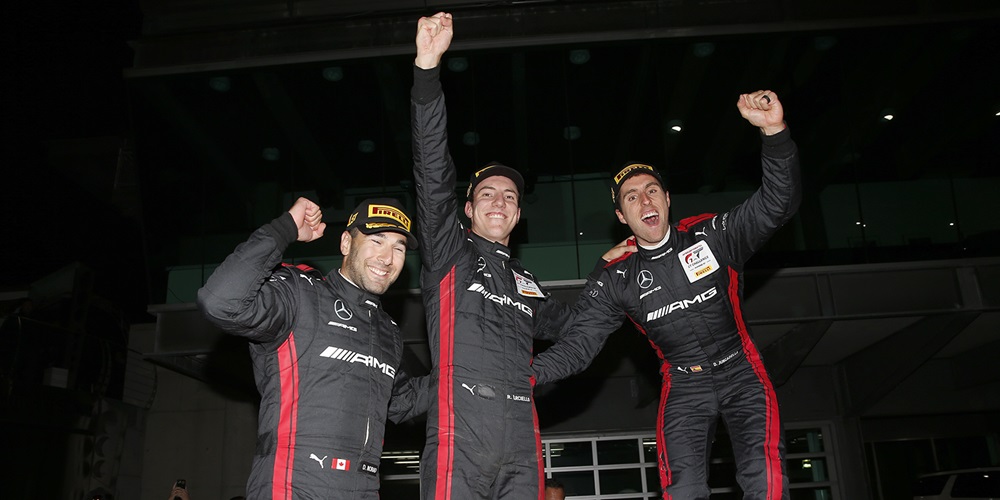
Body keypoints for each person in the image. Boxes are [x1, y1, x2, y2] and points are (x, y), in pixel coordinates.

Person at [532, 91, 801, 499]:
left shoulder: (712, 235)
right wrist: (522, 375)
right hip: (684, 385)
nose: (645, 200)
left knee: (766, 478)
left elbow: (776, 204)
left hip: (742, 372)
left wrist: (773, 132)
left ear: (668, 198)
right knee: (683, 488)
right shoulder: (615, 278)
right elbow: (578, 345)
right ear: (622, 217)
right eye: (632, 197)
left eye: (652, 190)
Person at [411, 12, 573, 500]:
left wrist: (624, 272)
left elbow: (580, 324)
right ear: (467, 209)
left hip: (522, 442)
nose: (499, 200)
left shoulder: (527, 282)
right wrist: (427, 72)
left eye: (509, 196)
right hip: (459, 439)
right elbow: (432, 168)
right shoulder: (449, 253)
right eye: (487, 194)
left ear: (519, 215)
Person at [197, 197, 425, 499]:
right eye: (376, 241)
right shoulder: (300, 294)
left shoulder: (388, 330)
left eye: (398, 247)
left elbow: (401, 401)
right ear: (346, 243)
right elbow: (221, 302)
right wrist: (285, 229)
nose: (387, 257)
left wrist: (471, 377)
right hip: (293, 486)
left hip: (364, 490)